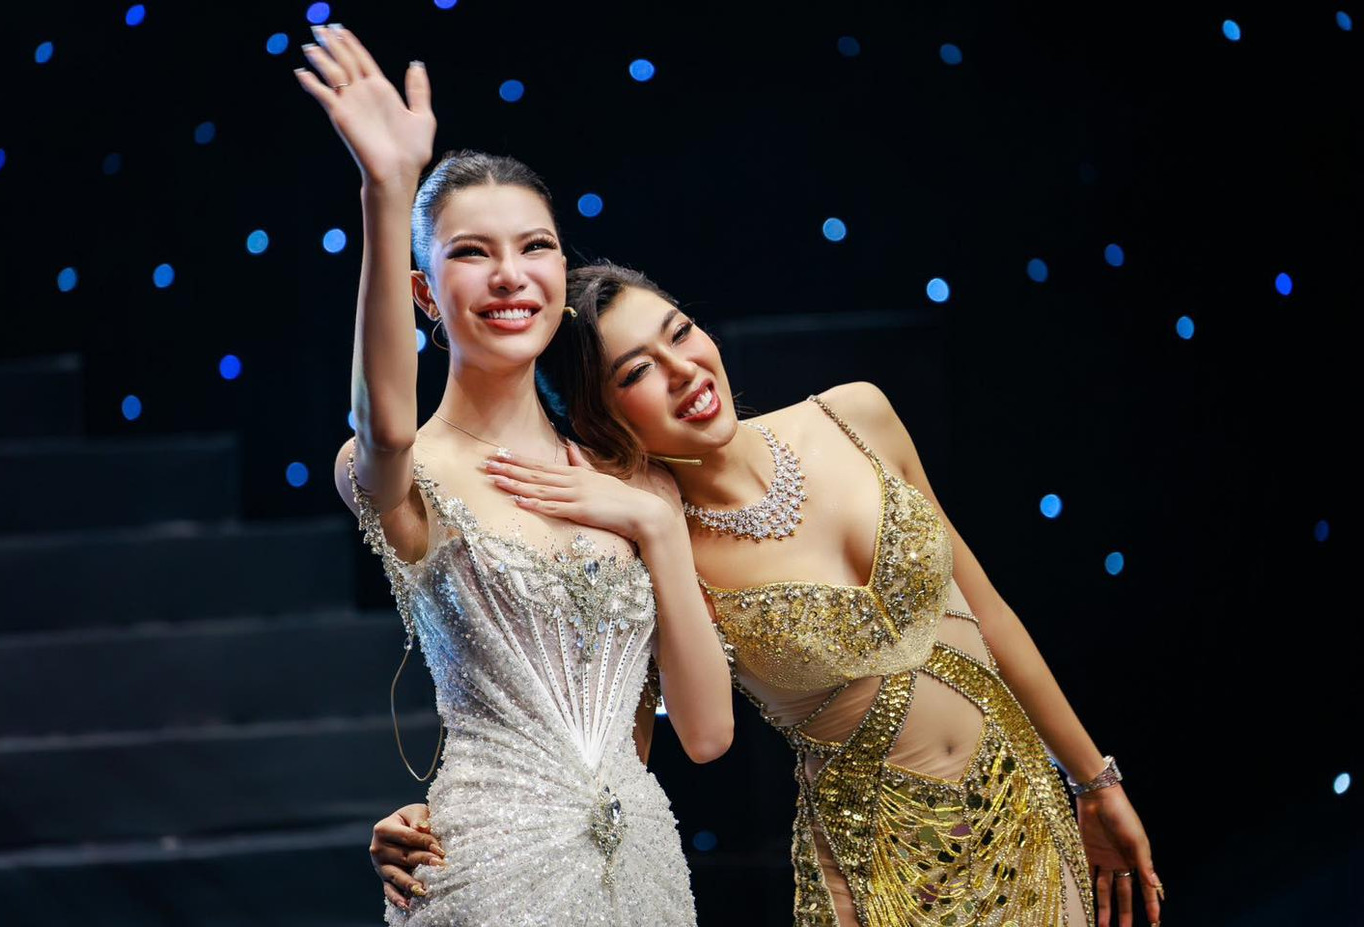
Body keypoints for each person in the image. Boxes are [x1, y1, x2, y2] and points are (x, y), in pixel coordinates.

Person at [369, 263, 1164, 927]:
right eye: (636, 371)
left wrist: (1095, 781)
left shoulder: (856, 415)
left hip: (1025, 819)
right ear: (597, 415)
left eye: (680, 331)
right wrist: (460, 819)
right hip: (878, 874)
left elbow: (989, 611)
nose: (683, 369)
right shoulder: (653, 550)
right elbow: (606, 747)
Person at [294, 26, 732, 925]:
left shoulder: (632, 476)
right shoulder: (411, 469)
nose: (509, 276)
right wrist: (386, 190)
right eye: (470, 252)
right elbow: (384, 422)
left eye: (534, 246)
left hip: (645, 870)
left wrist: (655, 525)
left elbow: (706, 733)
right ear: (424, 293)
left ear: (562, 273)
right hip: (486, 871)